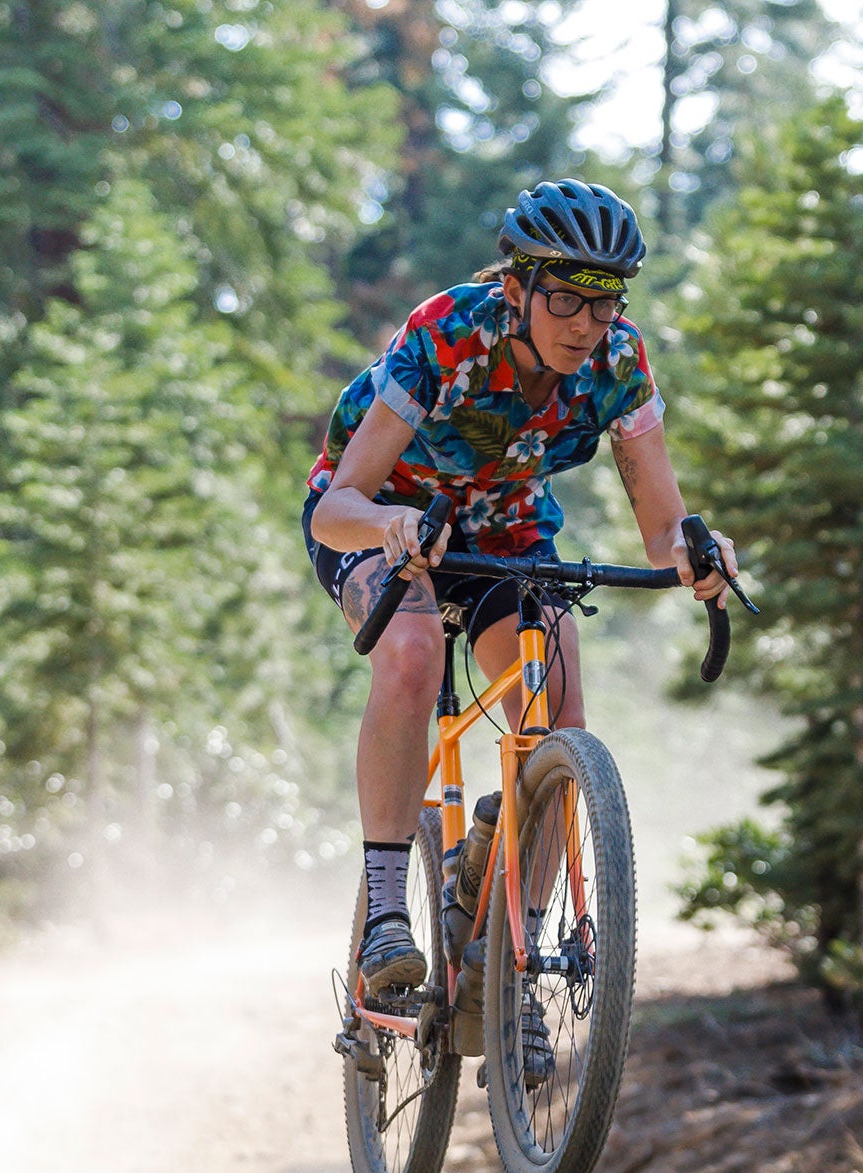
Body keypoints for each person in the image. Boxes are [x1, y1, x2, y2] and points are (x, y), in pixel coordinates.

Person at [303, 178, 739, 999]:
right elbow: (338, 507)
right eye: (567, 301)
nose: (586, 325)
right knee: (413, 653)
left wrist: (700, 552)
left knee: (557, 717)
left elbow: (663, 526)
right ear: (517, 289)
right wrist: (392, 528)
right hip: (387, 513)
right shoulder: (447, 335)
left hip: (506, 531)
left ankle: (508, 967)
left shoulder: (618, 359)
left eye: (604, 304)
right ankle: (390, 913)